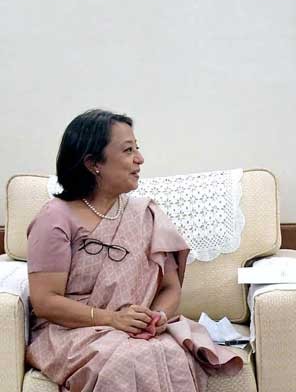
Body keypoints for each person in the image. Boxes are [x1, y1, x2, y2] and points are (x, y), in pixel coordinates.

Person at [26, 109, 241, 391]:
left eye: (137, 149)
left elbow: (170, 288)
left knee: (169, 354)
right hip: (71, 331)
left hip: (134, 331)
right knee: (128, 361)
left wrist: (157, 318)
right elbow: (45, 302)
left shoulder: (145, 214)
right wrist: (113, 320)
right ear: (93, 163)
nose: (140, 159)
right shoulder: (55, 218)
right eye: (128, 151)